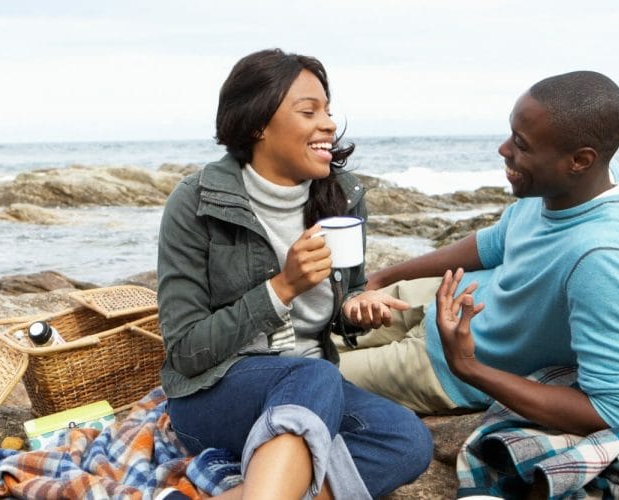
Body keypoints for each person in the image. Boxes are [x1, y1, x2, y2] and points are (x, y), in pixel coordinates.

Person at [157, 48, 433, 499]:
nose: (328, 123)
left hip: (310, 388)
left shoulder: (344, 196)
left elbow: (347, 292)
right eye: (309, 111)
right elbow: (186, 351)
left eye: (327, 109)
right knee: (312, 375)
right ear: (257, 124)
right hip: (213, 396)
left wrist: (355, 308)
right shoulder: (196, 202)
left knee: (406, 440)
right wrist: (282, 288)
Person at [339, 71, 619, 436]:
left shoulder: (604, 260)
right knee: (302, 328)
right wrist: (385, 277)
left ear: (580, 161)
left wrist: (468, 367)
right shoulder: (587, 181)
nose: (504, 150)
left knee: (304, 376)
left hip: (441, 368)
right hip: (445, 298)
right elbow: (494, 243)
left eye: (521, 144)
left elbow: (616, 410)